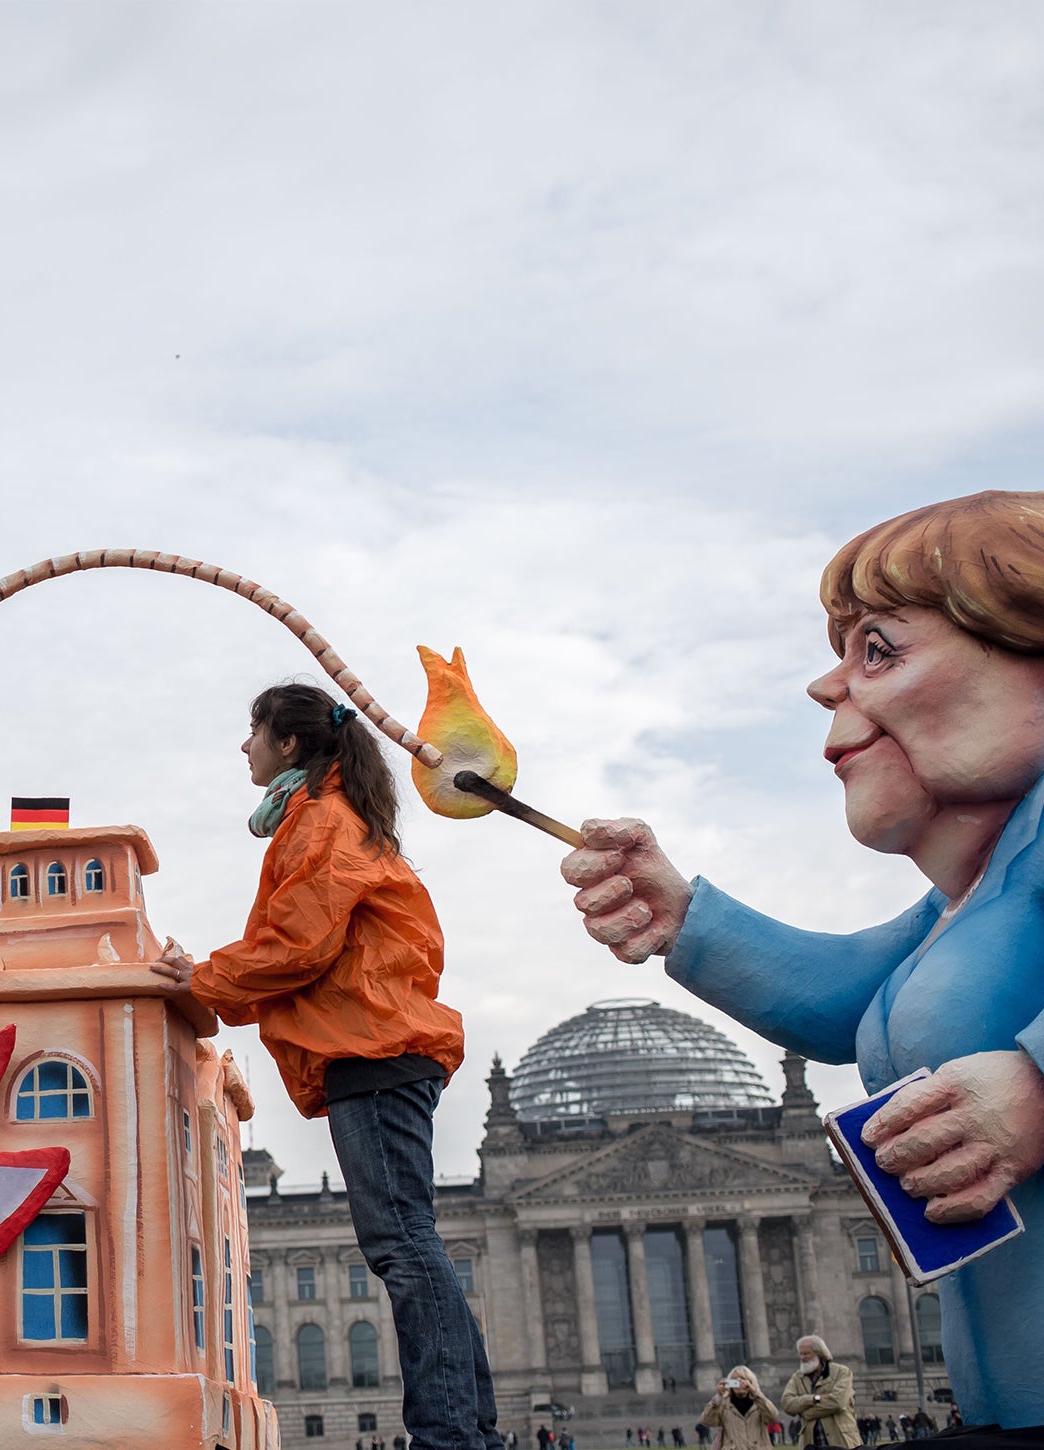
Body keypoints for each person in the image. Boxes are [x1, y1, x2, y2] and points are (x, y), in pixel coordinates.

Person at [559, 492, 1044, 1429]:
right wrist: (687, 917)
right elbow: (851, 999)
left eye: (879, 651)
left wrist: (1036, 1081)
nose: (828, 688)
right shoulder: (976, 894)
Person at [152, 682, 488, 1450]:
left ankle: (451, 1437)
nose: (245, 746)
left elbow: (299, 943)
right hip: (379, 1047)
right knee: (417, 1246)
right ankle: (471, 1430)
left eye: (255, 732)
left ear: (291, 745)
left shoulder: (324, 824)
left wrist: (200, 980)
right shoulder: (325, 818)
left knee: (403, 1248)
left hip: (372, 1050)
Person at [780, 1336, 859, 1449]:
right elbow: (787, 1404)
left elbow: (838, 1402)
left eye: (807, 1353)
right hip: (812, 1443)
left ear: (820, 1353)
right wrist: (814, 1398)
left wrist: (807, 1413)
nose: (803, 1358)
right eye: (801, 1354)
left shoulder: (841, 1372)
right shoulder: (797, 1377)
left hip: (842, 1441)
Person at [705, 1366, 783, 1450]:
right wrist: (718, 1397)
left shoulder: (759, 1403)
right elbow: (708, 1421)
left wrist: (756, 1392)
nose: (739, 1381)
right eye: (734, 1379)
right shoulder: (724, 1405)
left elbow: (773, 1416)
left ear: (750, 1382)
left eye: (743, 1378)